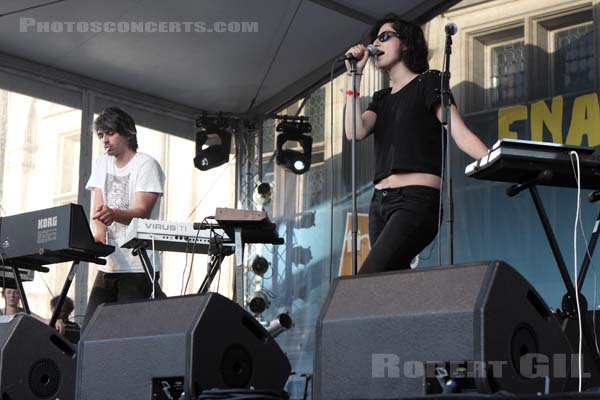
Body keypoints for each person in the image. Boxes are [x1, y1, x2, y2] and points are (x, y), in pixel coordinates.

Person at [344, 15, 488, 274]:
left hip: (415, 201)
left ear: (406, 44)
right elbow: (355, 131)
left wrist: (494, 159)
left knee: (370, 277)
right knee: (390, 284)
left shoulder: (429, 81)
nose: (376, 43)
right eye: (375, 38)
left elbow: (460, 132)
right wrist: (354, 76)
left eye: (384, 36)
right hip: (379, 204)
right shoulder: (382, 98)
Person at [83, 106, 165, 327]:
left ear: (128, 133)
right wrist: (98, 242)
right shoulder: (101, 163)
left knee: (127, 333)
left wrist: (115, 213)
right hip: (108, 266)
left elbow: (142, 212)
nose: (105, 140)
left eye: (110, 133)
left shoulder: (146, 164)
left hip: (137, 266)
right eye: (101, 135)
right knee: (90, 332)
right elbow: (97, 210)